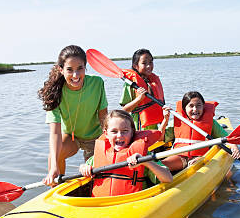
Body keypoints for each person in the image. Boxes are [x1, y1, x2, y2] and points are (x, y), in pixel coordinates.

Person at [38, 45, 108, 186]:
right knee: (55, 156)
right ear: (61, 69)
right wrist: (53, 168)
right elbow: (55, 133)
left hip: (95, 137)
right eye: (69, 70)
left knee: (97, 180)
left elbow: (104, 119)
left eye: (80, 69)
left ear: (85, 67)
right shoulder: (54, 92)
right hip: (71, 137)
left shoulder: (97, 83)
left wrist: (106, 146)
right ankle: (55, 187)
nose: (75, 75)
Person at [79, 110, 173, 197]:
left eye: (125, 131)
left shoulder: (142, 155)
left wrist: (145, 162)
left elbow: (168, 178)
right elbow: (83, 167)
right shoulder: (99, 155)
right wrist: (84, 168)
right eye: (114, 131)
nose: (119, 135)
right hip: (101, 203)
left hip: (131, 203)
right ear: (106, 133)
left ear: (132, 133)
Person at [161, 91, 240, 172]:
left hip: (202, 157)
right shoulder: (177, 121)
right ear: (185, 108)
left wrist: (235, 147)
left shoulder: (211, 123)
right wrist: (165, 119)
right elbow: (160, 138)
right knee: (159, 168)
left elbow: (228, 139)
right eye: (191, 106)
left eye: (198, 105)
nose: (195, 109)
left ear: (203, 107)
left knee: (194, 166)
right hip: (180, 157)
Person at [120, 49, 165, 130]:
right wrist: (139, 99)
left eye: (151, 62)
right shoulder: (130, 84)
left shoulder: (154, 81)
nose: (149, 66)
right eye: (144, 63)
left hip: (155, 127)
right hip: (139, 127)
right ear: (135, 66)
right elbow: (124, 110)